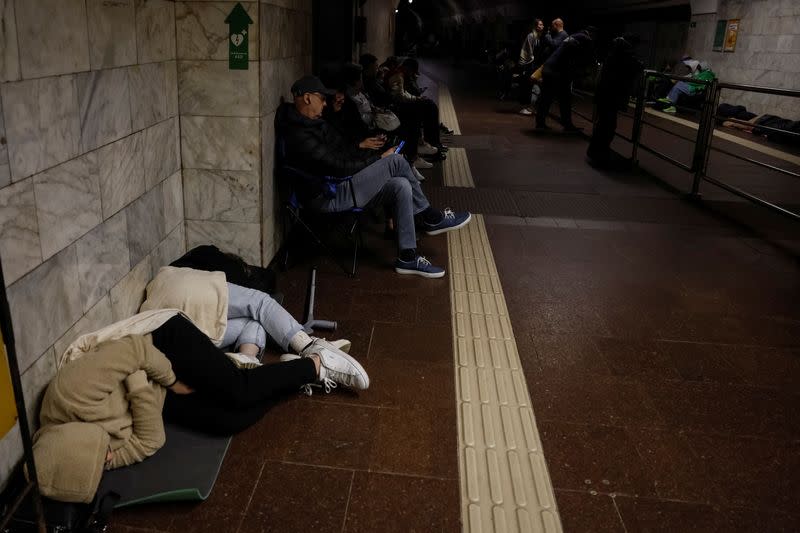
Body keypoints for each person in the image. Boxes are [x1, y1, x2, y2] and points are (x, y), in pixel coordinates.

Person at [34, 310, 369, 504]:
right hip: (152, 393)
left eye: (104, 456)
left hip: (161, 342)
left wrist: (168, 383)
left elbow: (136, 352)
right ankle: (294, 376)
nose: (111, 459)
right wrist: (142, 394)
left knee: (238, 391)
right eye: (105, 466)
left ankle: (316, 360)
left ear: (81, 441)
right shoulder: (81, 456)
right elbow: (151, 442)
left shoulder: (70, 393)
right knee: (230, 420)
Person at [279, 75, 472, 278]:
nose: (326, 103)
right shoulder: (299, 135)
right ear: (308, 98)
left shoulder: (313, 124)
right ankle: (431, 217)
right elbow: (337, 166)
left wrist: (363, 147)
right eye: (323, 99)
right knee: (395, 161)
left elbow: (339, 149)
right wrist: (379, 158)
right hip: (328, 196)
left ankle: (407, 256)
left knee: (401, 186)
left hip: (339, 185)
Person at [587, 33, 643, 168]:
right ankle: (600, 155)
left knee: (603, 124)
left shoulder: (613, 51)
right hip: (611, 95)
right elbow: (636, 66)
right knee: (608, 126)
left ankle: (595, 152)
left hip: (604, 94)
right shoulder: (625, 52)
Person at [386, 58, 446, 166]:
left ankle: (427, 144)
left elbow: (404, 93)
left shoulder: (402, 75)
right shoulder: (397, 75)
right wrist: (416, 99)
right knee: (424, 111)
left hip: (401, 105)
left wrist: (416, 97)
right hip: (399, 108)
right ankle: (415, 153)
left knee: (430, 106)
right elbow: (400, 96)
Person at [535, 26, 597, 132]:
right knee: (560, 98)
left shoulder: (574, 36)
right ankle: (566, 124)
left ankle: (542, 123)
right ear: (592, 34)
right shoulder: (585, 38)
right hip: (556, 71)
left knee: (551, 97)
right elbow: (581, 57)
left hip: (551, 68)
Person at [518, 19, 545, 115]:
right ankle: (527, 107)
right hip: (527, 63)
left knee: (533, 84)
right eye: (540, 25)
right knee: (528, 84)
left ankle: (531, 107)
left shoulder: (538, 36)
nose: (542, 26)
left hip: (531, 63)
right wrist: (532, 62)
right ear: (536, 26)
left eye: (542, 25)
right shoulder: (531, 35)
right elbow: (529, 50)